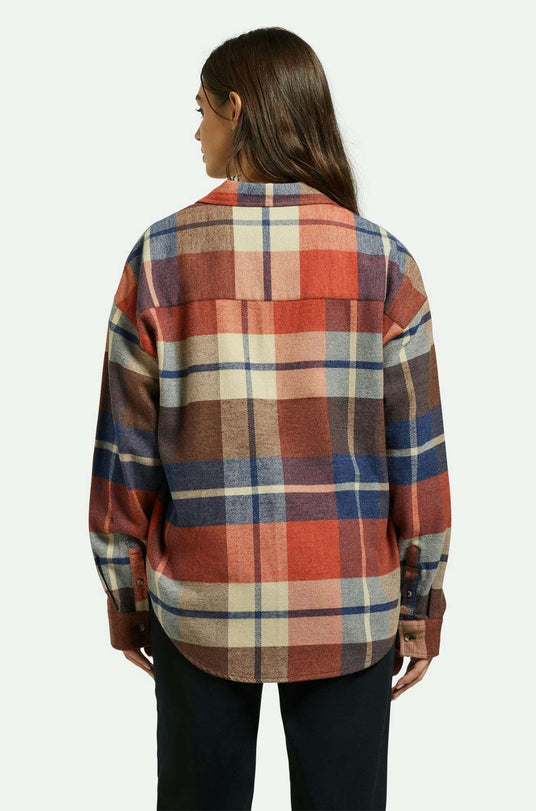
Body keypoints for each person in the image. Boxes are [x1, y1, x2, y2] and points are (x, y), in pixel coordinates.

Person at [88, 26, 451, 811]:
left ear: (237, 107)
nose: (197, 132)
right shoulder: (385, 262)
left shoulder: (159, 258)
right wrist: (420, 606)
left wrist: (127, 598)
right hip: (349, 608)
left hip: (201, 608)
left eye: (202, 111)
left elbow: (125, 457)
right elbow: (418, 459)